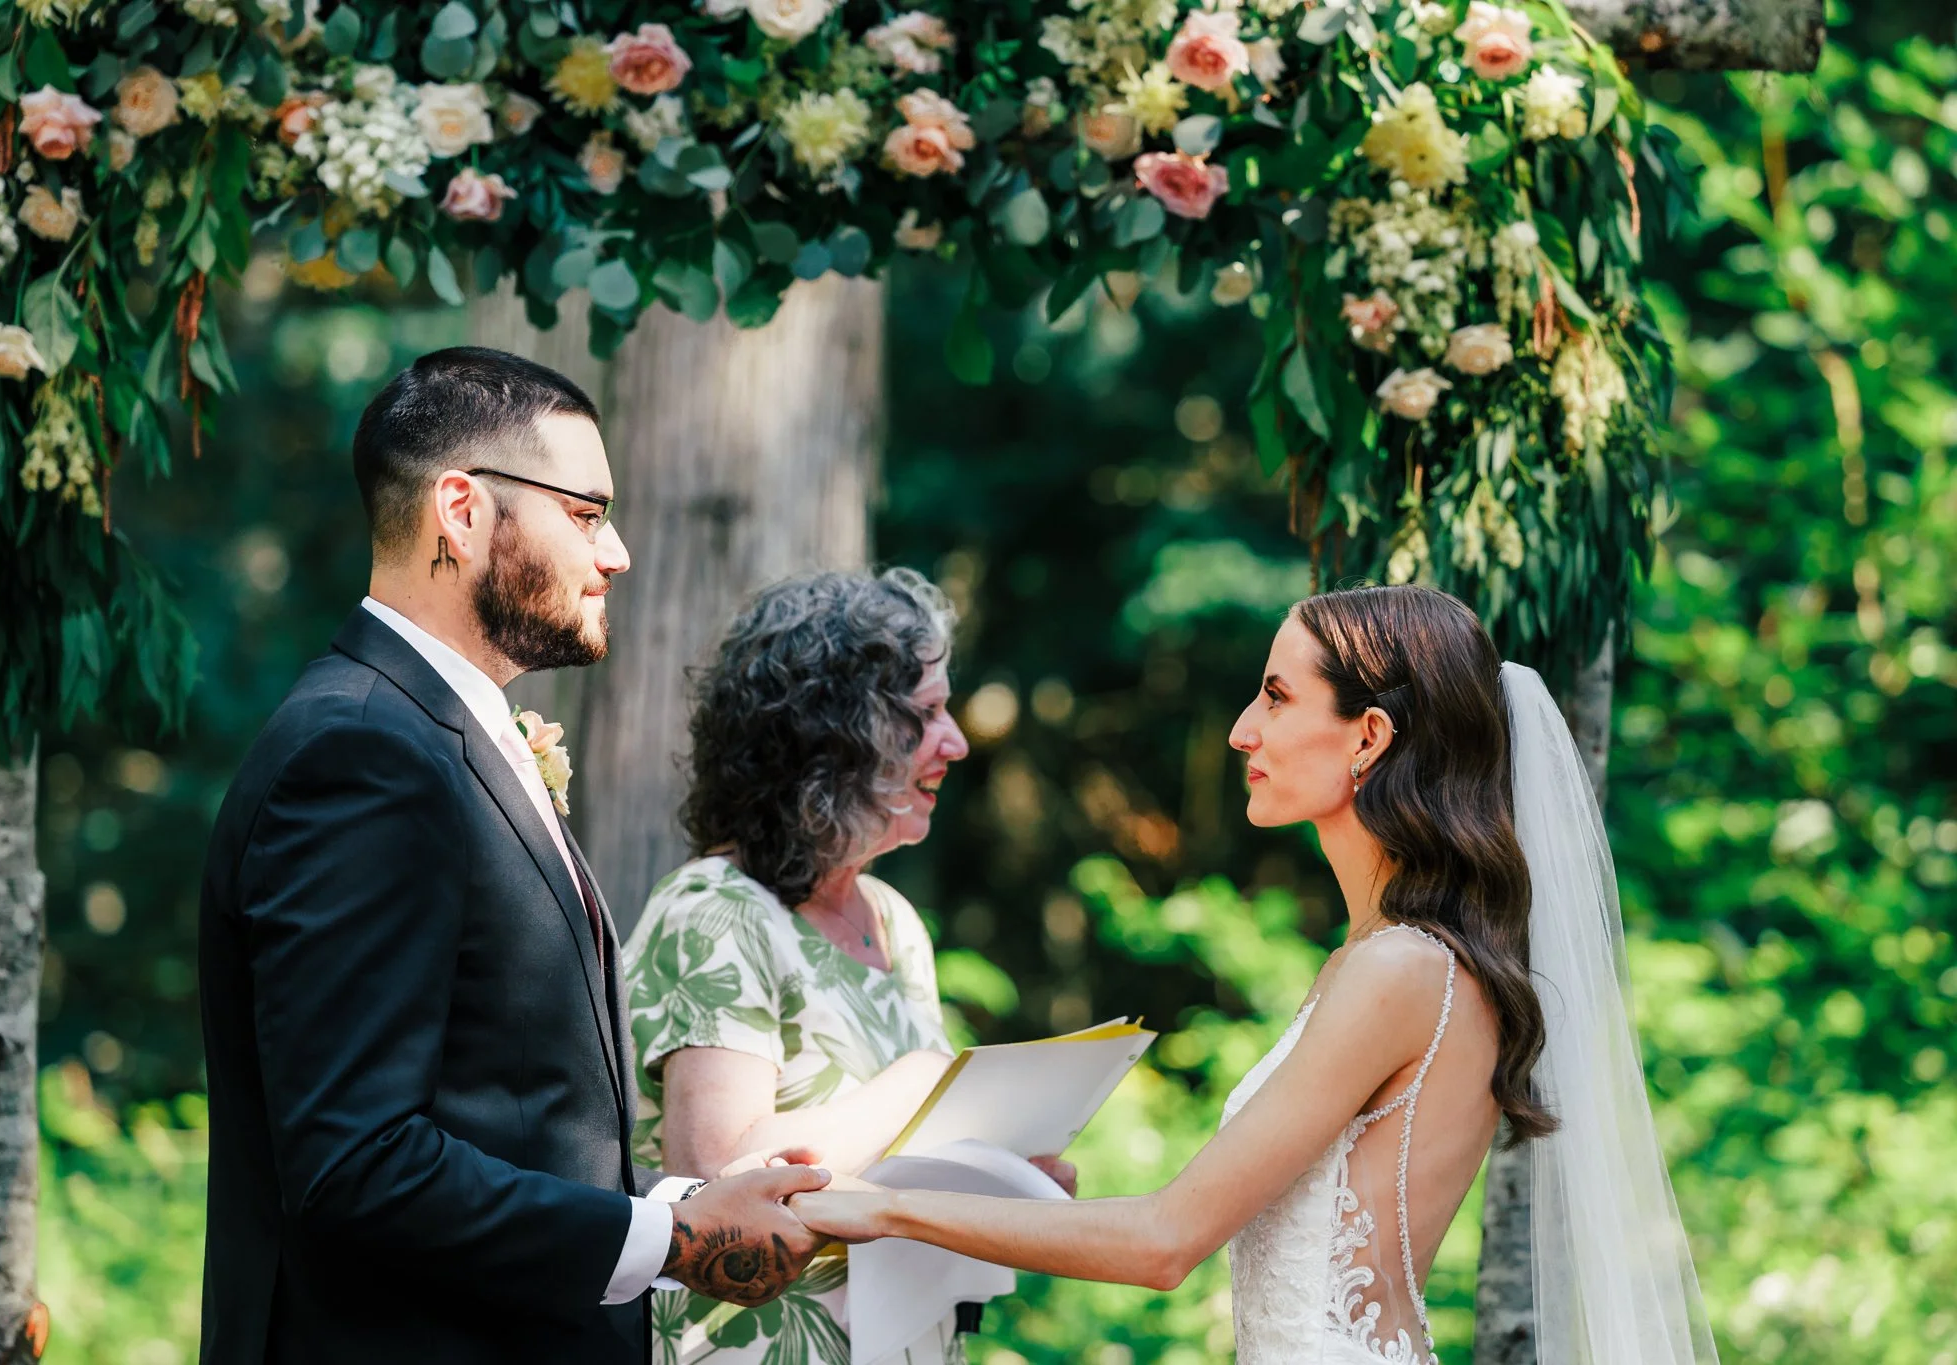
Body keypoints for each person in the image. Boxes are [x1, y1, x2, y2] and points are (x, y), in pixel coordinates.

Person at [789, 584, 1720, 1365]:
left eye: (1276, 697)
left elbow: (1163, 1242)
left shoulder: (1399, 969)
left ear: (1369, 737)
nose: (1241, 731)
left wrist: (883, 1208)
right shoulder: (1397, 957)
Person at [197, 347, 831, 1365]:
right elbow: (355, 1163)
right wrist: (669, 1239)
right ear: (460, 509)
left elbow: (508, 1112)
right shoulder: (358, 753)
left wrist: (680, 1204)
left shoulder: (438, 735)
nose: (615, 552)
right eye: (586, 513)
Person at [623, 569, 1073, 1365]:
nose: (957, 740)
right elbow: (717, 1177)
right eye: (928, 712)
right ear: (836, 733)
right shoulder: (712, 910)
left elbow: (893, 1169)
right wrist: (924, 1081)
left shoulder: (895, 921)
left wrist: (1002, 1176)